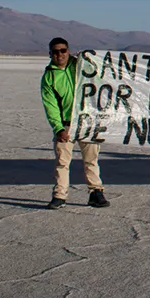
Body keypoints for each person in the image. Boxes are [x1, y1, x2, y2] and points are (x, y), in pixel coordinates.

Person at [40, 37, 109, 209]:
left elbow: (101, 76)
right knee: (62, 162)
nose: (60, 55)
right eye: (55, 52)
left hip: (87, 122)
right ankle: (59, 195)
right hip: (66, 124)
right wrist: (58, 128)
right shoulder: (49, 77)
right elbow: (51, 106)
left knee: (91, 160)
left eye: (63, 50)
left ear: (68, 51)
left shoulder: (80, 67)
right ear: (50, 54)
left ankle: (96, 192)